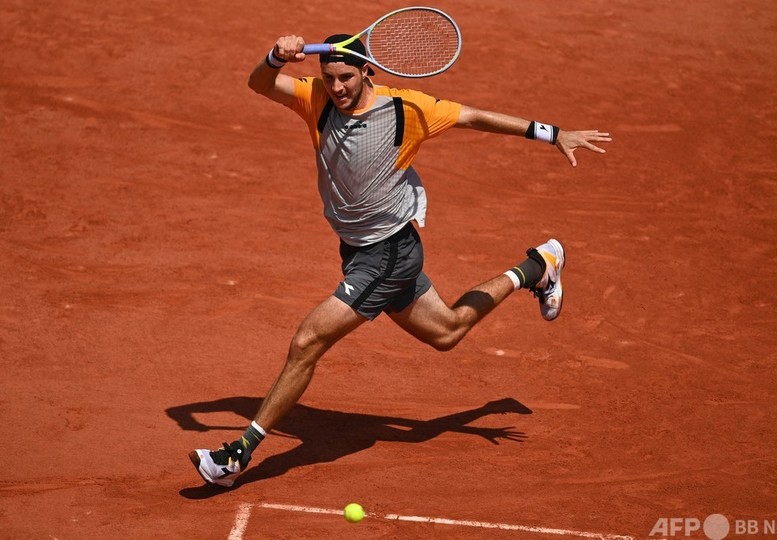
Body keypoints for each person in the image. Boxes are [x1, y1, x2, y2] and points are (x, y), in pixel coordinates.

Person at [189, 33, 611, 487]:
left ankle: (238, 455)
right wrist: (275, 57)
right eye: (329, 78)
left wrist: (552, 133)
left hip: (387, 254)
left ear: (367, 71)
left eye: (346, 77)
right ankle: (538, 267)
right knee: (447, 331)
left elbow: (472, 116)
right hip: (358, 250)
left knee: (308, 342)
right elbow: (259, 83)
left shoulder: (405, 109)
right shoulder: (316, 100)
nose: (338, 87)